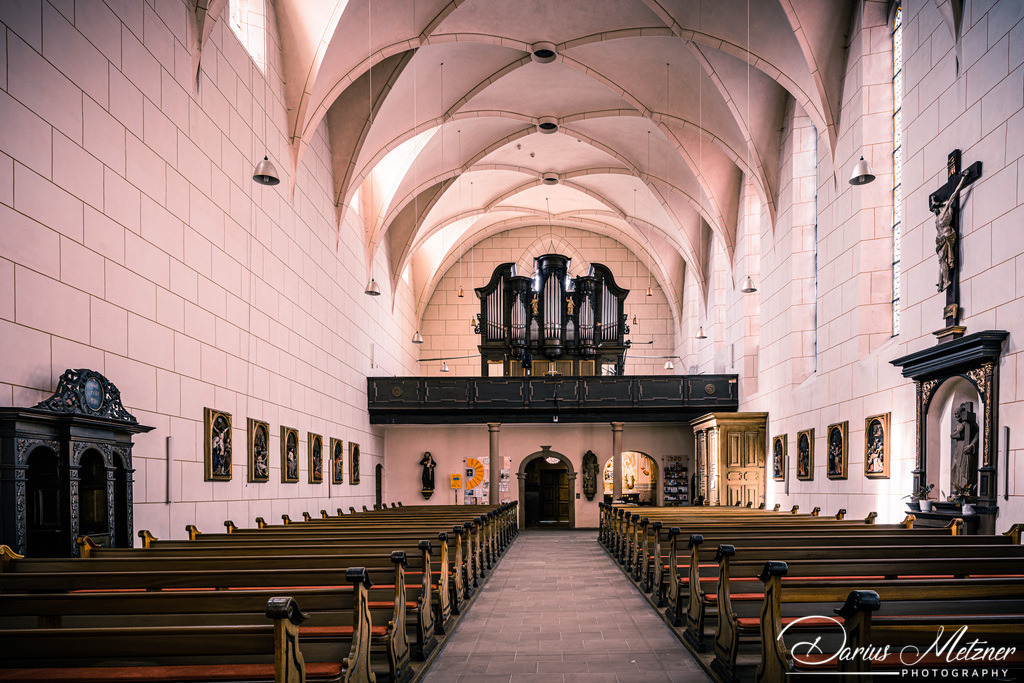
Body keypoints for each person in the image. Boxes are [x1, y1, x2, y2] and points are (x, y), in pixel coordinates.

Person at [933, 172, 968, 292]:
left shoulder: (947, 209)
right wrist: (933, 200)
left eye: (937, 207)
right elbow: (933, 204)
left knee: (942, 260)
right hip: (939, 239)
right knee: (941, 260)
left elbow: (955, 192)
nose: (935, 209)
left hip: (947, 236)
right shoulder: (938, 216)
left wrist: (963, 178)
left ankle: (946, 281)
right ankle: (941, 282)